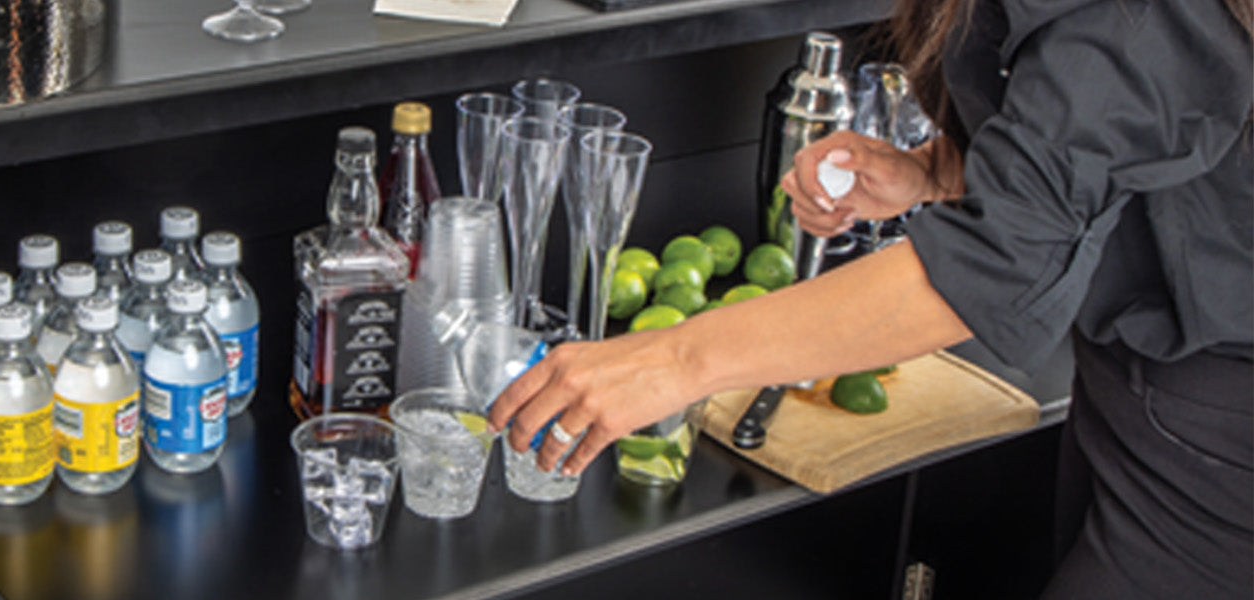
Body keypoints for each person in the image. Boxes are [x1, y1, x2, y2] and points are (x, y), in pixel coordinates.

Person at [485, 0, 1252, 595]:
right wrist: (941, 172)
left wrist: (673, 358)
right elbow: (1139, 144)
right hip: (1140, 390)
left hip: (1219, 442)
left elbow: (985, 274)